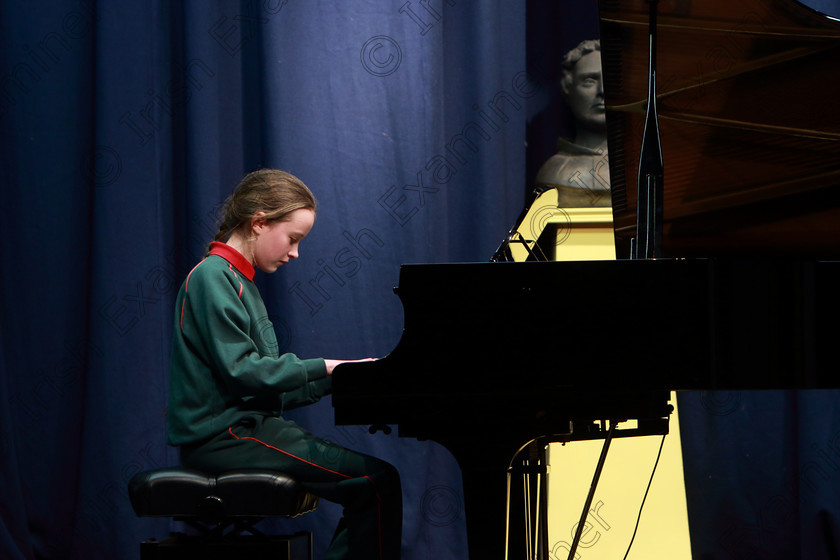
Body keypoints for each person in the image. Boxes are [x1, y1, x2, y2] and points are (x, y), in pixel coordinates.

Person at [166, 168, 402, 560]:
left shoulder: (240, 283)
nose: (295, 253)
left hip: (247, 429)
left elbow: (267, 384)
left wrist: (346, 373)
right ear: (259, 222)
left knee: (376, 481)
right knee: (375, 482)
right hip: (226, 438)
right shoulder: (212, 277)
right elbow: (245, 372)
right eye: (293, 239)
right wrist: (324, 366)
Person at [535, 39, 611, 207]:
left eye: (611, 80)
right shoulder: (554, 172)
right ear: (568, 88)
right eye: (589, 81)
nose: (602, 91)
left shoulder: (645, 171)